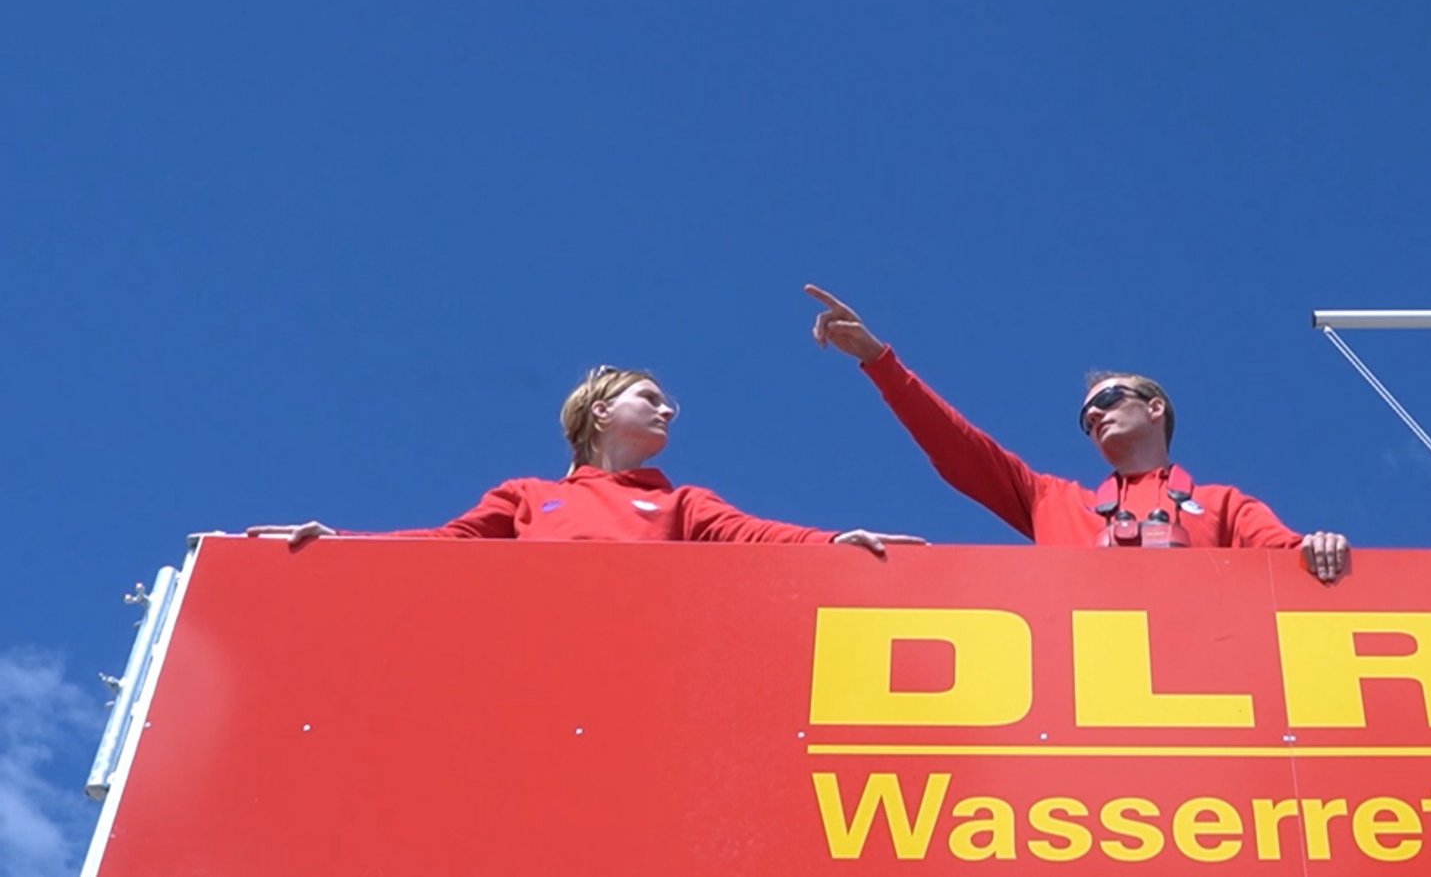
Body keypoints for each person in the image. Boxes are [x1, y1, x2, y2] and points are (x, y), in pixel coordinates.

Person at [804, 285, 1349, 582]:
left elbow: (1289, 560)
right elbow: (960, 450)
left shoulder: (1224, 504)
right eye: (1085, 419)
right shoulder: (1053, 501)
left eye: (1108, 401)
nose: (1095, 418)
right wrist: (880, 361)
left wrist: (1320, 546)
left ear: (1155, 408)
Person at [247, 365, 923, 552]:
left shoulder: (683, 503)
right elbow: (445, 546)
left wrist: (834, 541)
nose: (667, 411)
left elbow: (753, 534)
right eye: (649, 398)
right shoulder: (524, 495)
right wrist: (343, 544)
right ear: (600, 411)